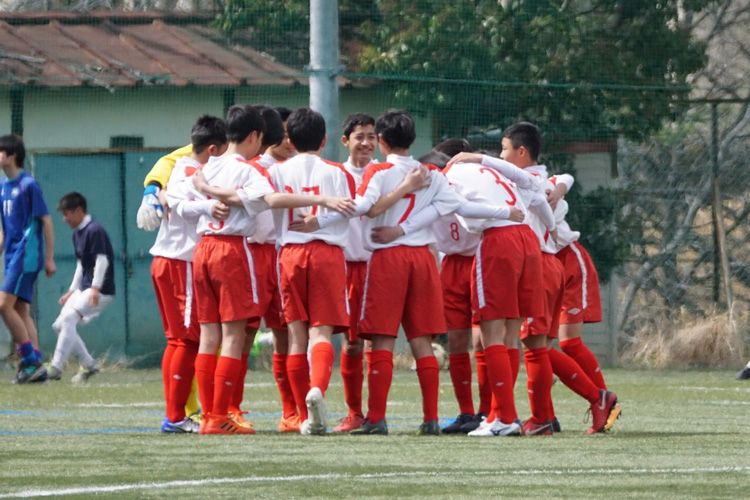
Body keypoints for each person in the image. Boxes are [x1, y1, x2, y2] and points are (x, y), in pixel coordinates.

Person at [295, 110, 517, 435]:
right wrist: (506, 212)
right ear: (412, 139)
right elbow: (462, 207)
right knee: (422, 341)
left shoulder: (379, 170)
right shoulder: (432, 172)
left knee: (382, 341)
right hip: (424, 260)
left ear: (381, 141)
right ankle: (430, 419)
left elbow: (360, 206)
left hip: (388, 259)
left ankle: (376, 418)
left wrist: (318, 221)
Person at [187, 105, 354, 435]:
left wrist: (203, 191)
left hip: (208, 250)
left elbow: (183, 197)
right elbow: (273, 200)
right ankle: (240, 412)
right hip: (241, 251)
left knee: (217, 337)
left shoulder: (204, 165)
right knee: (251, 335)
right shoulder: (256, 171)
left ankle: (212, 414)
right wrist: (322, 203)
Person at [151, 115, 228, 433]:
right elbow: (180, 205)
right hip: (181, 261)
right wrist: (209, 208)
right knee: (187, 341)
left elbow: (167, 196)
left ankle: (174, 414)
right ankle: (175, 417)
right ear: (213, 149)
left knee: (176, 341)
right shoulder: (193, 172)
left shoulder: (181, 166)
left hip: (166, 260)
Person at [417, 147, 488, 435]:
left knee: (483, 339)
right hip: (451, 266)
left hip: (479, 262)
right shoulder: (424, 198)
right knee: (457, 340)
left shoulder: (462, 188)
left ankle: (489, 411)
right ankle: (465, 412)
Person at [332, 113, 378, 433]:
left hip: (380, 266)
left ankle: (376, 414)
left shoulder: (385, 174)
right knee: (351, 343)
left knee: (379, 341)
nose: (366, 142)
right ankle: (354, 412)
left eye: (371, 136)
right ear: (345, 141)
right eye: (359, 136)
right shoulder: (336, 176)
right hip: (346, 267)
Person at [0, 134, 56, 384]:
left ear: (12, 156)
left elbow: (46, 221)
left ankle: (30, 360)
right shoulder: (3, 188)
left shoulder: (28, 185)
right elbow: (3, 230)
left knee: (3, 305)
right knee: (21, 309)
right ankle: (37, 367)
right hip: (13, 255)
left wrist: (50, 258)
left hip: (27, 254)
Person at [47, 192, 114, 383]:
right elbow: (81, 265)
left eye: (67, 213)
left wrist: (95, 288)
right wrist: (71, 290)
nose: (64, 218)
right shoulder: (77, 233)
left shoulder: (95, 230)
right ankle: (90, 364)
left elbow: (102, 261)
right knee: (60, 325)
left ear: (78, 211)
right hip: (84, 288)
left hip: (102, 290)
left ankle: (56, 367)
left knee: (68, 318)